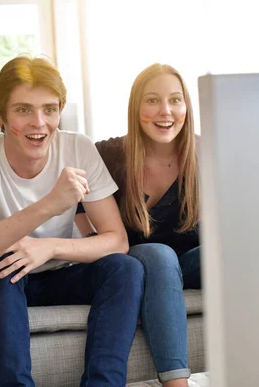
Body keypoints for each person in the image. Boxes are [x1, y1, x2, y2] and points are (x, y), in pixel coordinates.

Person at [0, 55, 145, 387]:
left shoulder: (77, 148)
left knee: (127, 268)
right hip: (5, 282)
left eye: (49, 109)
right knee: (2, 267)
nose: (39, 122)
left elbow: (117, 241)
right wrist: (49, 205)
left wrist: (48, 247)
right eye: (24, 110)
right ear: (1, 117)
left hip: (59, 273)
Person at [77, 63, 200, 387]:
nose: (165, 111)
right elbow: (77, 206)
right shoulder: (108, 153)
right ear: (136, 107)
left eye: (175, 100)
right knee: (159, 255)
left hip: (186, 264)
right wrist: (95, 246)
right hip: (138, 262)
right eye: (152, 100)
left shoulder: (206, 152)